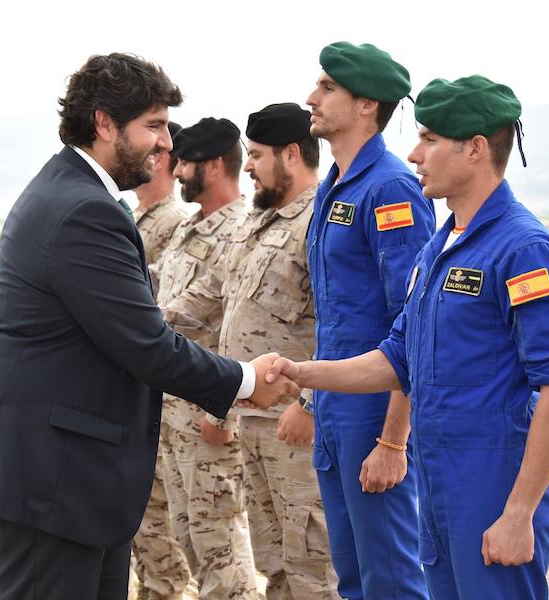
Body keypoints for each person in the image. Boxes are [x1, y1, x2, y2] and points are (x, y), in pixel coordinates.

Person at [0, 53, 295, 600]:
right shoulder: (82, 209)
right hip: (50, 477)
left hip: (67, 473)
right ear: (105, 123)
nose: (165, 144)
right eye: (153, 126)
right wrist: (247, 382)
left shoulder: (71, 193)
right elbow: (145, 344)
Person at [269, 75, 549, 599]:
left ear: (476, 149)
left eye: (430, 139)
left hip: (491, 482)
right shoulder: (439, 249)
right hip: (439, 478)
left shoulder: (523, 249)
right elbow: (398, 359)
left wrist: (519, 512)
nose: (415, 153)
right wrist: (303, 374)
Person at [163, 102, 340, 599]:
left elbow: (342, 324)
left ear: (290, 154)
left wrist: (311, 403)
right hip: (255, 420)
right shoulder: (258, 222)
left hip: (299, 429)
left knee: (314, 571)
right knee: (274, 568)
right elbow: (215, 301)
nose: (250, 166)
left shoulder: (321, 223)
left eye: (257, 155)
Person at [303, 41, 435, 599]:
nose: (311, 97)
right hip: (337, 402)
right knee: (354, 574)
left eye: (328, 88)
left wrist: (393, 439)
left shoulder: (389, 188)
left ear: (366, 105)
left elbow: (415, 319)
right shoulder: (335, 183)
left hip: (375, 409)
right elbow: (333, 311)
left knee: (391, 576)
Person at [156, 116, 258, 599]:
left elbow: (244, 333)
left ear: (214, 165)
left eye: (185, 164)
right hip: (173, 416)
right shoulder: (191, 228)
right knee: (191, 543)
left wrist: (227, 413)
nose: (175, 173)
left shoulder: (239, 231)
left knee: (222, 548)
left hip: (208, 418)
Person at [130, 119, 193, 600]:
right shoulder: (137, 217)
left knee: (165, 534)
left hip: (170, 386)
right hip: (143, 386)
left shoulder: (172, 222)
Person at [133, 120, 187, 298]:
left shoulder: (175, 222)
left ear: (159, 159)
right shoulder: (131, 215)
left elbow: (160, 290)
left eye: (139, 152)